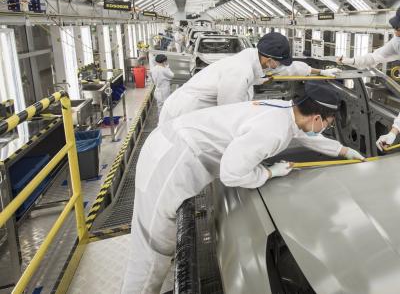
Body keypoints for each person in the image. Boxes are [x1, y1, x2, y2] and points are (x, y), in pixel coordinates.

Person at [120, 82, 364, 294]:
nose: (326, 128)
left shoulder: (284, 110)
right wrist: (269, 172)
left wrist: (342, 151)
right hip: (171, 161)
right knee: (152, 249)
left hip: (168, 143)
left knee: (152, 241)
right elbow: (231, 173)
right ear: (317, 118)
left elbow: (301, 133)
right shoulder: (273, 131)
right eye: (328, 124)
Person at [158, 32, 341, 124]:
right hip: (185, 112)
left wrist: (320, 72)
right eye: (279, 62)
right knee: (180, 160)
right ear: (269, 60)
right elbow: (229, 114)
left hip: (198, 111)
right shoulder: (240, 71)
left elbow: (290, 68)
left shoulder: (258, 59)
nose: (280, 67)